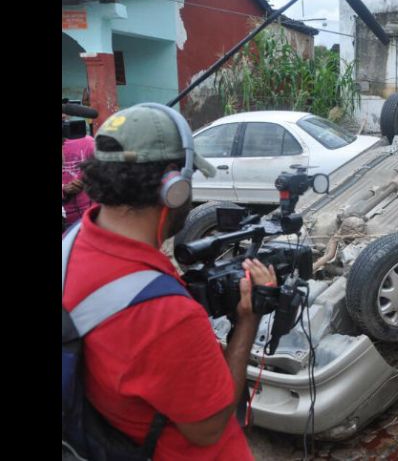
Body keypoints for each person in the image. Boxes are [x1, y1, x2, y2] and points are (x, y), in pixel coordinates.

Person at [62, 104, 275, 460]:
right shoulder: (166, 316)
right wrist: (248, 321)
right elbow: (211, 427)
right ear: (172, 187)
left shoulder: (73, 243)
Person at [62, 116, 95, 229]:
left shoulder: (88, 142)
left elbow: (104, 175)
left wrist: (87, 182)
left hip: (88, 218)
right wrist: (64, 189)